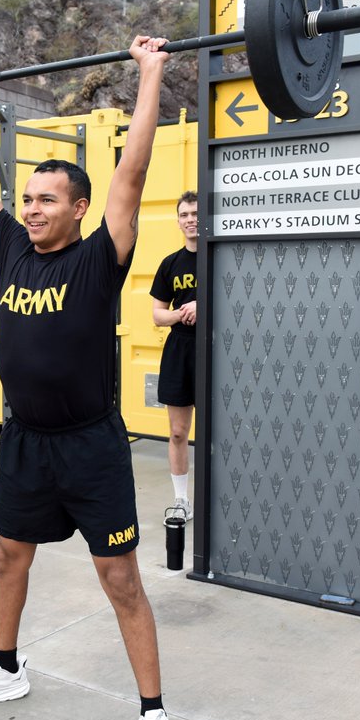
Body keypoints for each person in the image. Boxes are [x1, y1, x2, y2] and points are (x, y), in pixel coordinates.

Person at [0, 37, 184, 720]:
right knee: (7, 555)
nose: (34, 208)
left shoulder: (99, 255)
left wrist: (150, 76)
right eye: (30, 199)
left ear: (79, 208)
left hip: (90, 444)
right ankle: (6, 668)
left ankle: (153, 718)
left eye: (50, 200)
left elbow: (133, 171)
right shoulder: (10, 246)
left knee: (120, 580)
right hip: (25, 443)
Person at [150, 192, 199, 525]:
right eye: (184, 214)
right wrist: (184, 312)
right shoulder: (170, 263)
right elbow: (157, 315)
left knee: (218, 434)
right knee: (178, 432)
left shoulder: (222, 257)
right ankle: (181, 501)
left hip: (216, 350)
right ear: (178, 220)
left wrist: (204, 306)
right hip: (179, 350)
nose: (190, 219)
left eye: (196, 213)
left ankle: (218, 496)